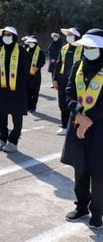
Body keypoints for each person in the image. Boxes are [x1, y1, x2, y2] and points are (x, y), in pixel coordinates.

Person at [60, 29, 103, 230]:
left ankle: (97, 212)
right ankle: (82, 207)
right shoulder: (78, 65)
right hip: (77, 124)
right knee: (80, 170)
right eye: (86, 46)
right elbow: (68, 92)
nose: (88, 50)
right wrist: (77, 113)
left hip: (99, 129)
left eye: (92, 47)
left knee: (98, 173)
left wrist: (88, 120)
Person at [0, 26, 30, 153]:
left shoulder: (21, 51)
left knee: (17, 116)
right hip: (2, 87)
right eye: (5, 35)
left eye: (9, 35)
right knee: (1, 115)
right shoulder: (0, 50)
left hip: (17, 89)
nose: (6, 37)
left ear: (14, 37)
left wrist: (19, 83)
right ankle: (2, 139)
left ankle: (13, 141)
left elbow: (26, 71)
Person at [54, 27, 83, 136]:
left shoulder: (83, 48)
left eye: (71, 34)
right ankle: (64, 126)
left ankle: (75, 126)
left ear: (76, 36)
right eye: (68, 34)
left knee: (76, 103)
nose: (68, 36)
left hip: (77, 81)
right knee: (63, 104)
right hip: (62, 80)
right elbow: (58, 64)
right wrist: (54, 79)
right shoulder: (64, 48)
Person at [25, 36, 46, 112]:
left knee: (35, 92)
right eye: (29, 42)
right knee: (27, 91)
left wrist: (37, 67)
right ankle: (28, 106)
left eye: (32, 42)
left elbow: (42, 61)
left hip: (36, 76)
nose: (30, 43)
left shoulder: (40, 51)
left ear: (35, 43)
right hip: (27, 75)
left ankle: (33, 106)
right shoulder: (27, 50)